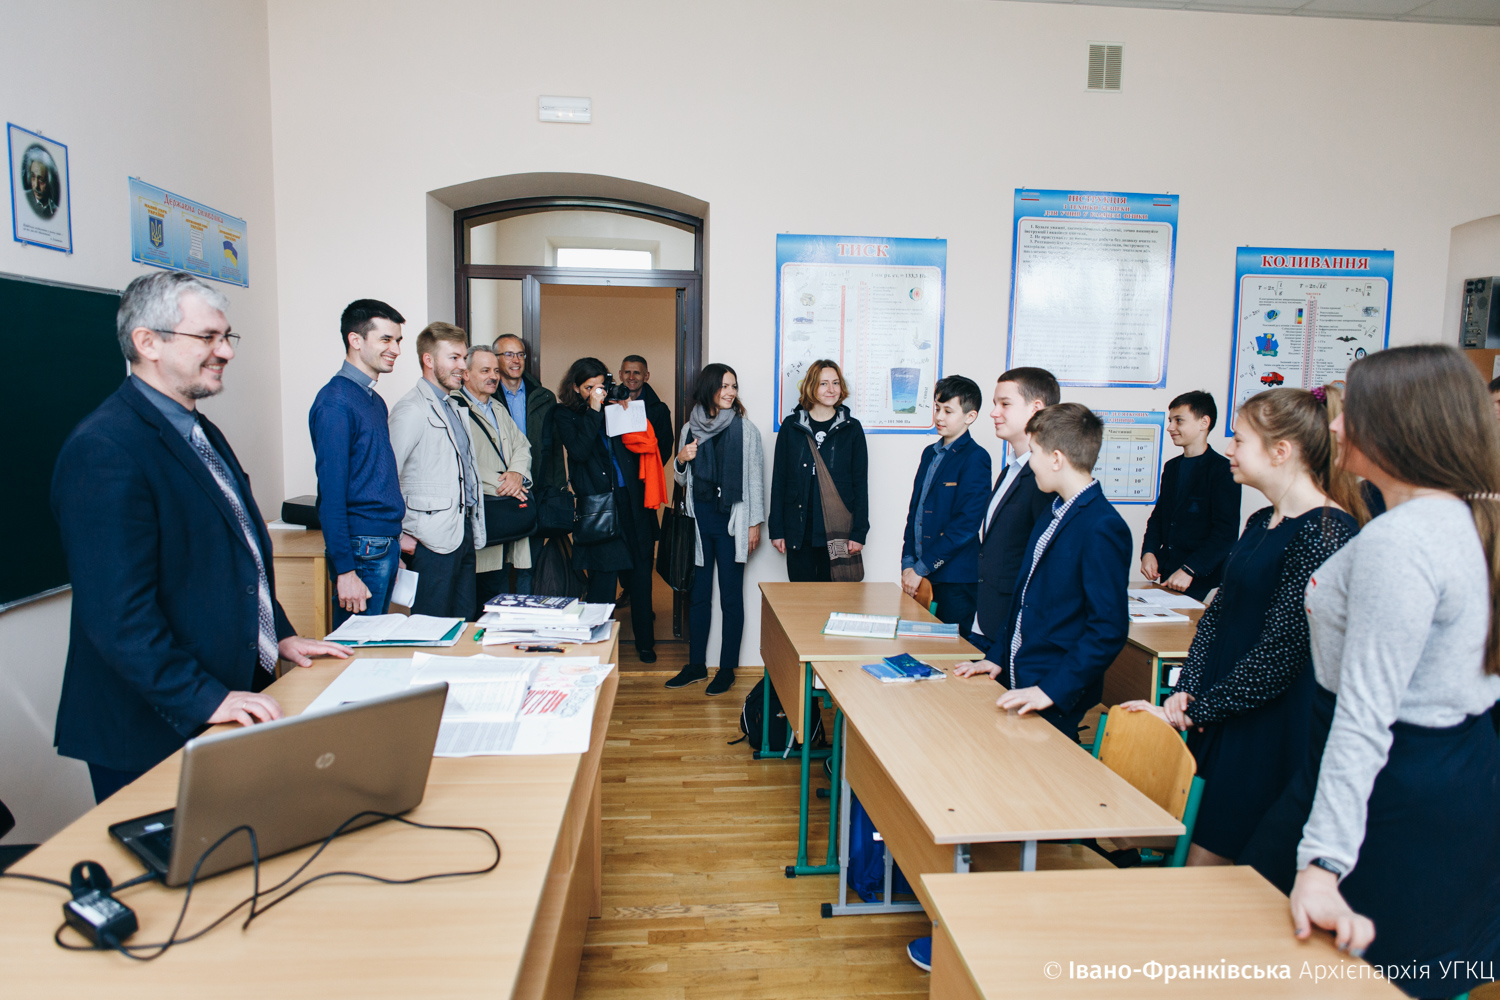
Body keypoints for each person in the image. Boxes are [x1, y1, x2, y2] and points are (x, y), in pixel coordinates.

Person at [1238, 346, 1500, 999]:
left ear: (1397, 425)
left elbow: (1364, 714)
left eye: (1349, 410)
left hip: (1391, 788)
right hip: (1449, 774)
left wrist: (1323, 865)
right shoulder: (1457, 517)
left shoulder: (1400, 542)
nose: (1333, 424)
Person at [51, 271, 348, 803]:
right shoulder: (105, 448)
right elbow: (118, 616)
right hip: (155, 724)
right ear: (148, 342)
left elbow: (236, 554)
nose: (225, 351)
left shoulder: (198, 429)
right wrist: (206, 698)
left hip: (224, 698)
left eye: (227, 337)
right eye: (207, 337)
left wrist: (278, 634)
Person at [1122, 388, 1362, 866]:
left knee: (1218, 866)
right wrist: (1186, 691)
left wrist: (1193, 710)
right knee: (1196, 850)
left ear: (1281, 451)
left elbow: (1281, 654)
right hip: (1224, 710)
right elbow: (1216, 617)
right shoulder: (1260, 521)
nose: (1229, 448)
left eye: (1241, 439)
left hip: (1268, 728)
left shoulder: (1326, 533)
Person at [549, 357, 662, 661]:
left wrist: (624, 408)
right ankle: (595, 649)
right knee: (603, 580)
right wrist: (594, 409)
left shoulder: (614, 406)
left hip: (632, 501)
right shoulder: (565, 414)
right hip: (599, 506)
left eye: (601, 386)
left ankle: (645, 642)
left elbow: (640, 445)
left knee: (641, 574)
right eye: (589, 387)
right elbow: (579, 451)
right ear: (576, 387)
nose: (596, 391)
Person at [665, 364, 766, 695]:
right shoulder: (690, 427)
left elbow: (755, 480)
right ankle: (696, 665)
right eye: (724, 386)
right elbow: (681, 480)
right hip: (699, 523)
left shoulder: (745, 430)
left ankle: (727, 669)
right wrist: (681, 459)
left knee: (731, 599)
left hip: (732, 524)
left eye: (733, 386)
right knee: (698, 597)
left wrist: (754, 524)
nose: (730, 392)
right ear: (709, 388)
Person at [309, 298, 407, 626]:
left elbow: (376, 476)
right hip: (362, 549)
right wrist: (345, 570)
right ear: (356, 340)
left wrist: (393, 545)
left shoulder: (374, 400)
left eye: (398, 340)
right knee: (358, 646)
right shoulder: (335, 402)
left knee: (374, 643)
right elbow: (331, 495)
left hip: (382, 544)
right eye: (386, 339)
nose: (396, 349)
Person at [389, 322, 486, 619]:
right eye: (453, 358)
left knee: (463, 621)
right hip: (427, 539)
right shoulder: (411, 409)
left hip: (461, 532)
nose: (463, 366)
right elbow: (387, 476)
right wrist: (397, 535)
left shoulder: (453, 406)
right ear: (428, 360)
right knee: (429, 625)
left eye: (463, 357)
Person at [964, 367, 1058, 666]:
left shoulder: (1045, 478)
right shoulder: (1010, 469)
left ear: (1036, 408)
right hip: (986, 620)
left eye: (1005, 404)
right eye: (995, 404)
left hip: (1013, 631)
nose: (994, 413)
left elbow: (1042, 567)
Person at [900, 375, 992, 638]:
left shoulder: (976, 458)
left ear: (970, 416)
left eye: (948, 411)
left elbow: (966, 525)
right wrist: (908, 563)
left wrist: (921, 568)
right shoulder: (929, 452)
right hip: (919, 575)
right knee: (919, 649)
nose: (939, 417)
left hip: (955, 580)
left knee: (950, 653)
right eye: (937, 408)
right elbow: (915, 513)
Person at [769, 359, 869, 581]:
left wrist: (859, 532)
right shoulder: (791, 426)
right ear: (811, 386)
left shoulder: (852, 428)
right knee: (802, 597)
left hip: (839, 531)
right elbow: (779, 480)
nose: (831, 389)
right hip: (799, 529)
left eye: (836, 383)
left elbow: (860, 484)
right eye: (823, 383)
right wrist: (777, 530)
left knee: (835, 595)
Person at [1139, 390, 1241, 600]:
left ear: (1204, 422)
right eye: (1170, 420)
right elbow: (1159, 517)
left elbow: (1225, 533)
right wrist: (1148, 552)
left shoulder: (1222, 470)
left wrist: (1190, 569)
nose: (1170, 427)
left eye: (1178, 420)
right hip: (1167, 570)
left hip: (1199, 576)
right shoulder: (1172, 467)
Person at [456, 345, 532, 616]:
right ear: (465, 374)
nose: (493, 377)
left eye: (496, 371)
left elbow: (522, 446)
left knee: (498, 588)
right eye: (485, 370)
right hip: (481, 511)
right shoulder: (454, 407)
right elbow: (460, 461)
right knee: (474, 595)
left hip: (505, 512)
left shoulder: (497, 407)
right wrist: (506, 483)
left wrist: (517, 475)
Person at [493, 334, 563, 573]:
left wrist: (556, 489)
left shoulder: (544, 397)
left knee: (530, 563)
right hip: (500, 489)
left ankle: (526, 596)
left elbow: (554, 448)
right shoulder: (488, 396)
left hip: (536, 489)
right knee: (499, 563)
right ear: (496, 359)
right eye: (508, 354)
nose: (516, 360)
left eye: (520, 354)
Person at [619, 354, 673, 463]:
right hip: (616, 471)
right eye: (627, 372)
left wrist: (647, 469)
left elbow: (665, 449)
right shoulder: (609, 405)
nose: (631, 377)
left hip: (646, 470)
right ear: (620, 375)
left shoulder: (660, 410)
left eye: (637, 373)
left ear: (646, 376)